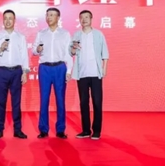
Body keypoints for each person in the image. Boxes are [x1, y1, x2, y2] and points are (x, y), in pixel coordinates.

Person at [32, 7, 73, 139]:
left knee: (60, 99)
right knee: (44, 99)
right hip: (44, 68)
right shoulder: (41, 33)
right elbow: (34, 50)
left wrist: (69, 70)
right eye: (48, 15)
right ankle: (43, 129)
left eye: (52, 15)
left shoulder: (65, 34)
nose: (49, 17)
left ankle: (60, 129)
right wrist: (37, 49)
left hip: (60, 67)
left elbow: (68, 53)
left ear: (58, 18)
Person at [0, 10, 30, 139]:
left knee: (16, 102)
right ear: (3, 20)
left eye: (10, 18)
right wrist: (0, 48)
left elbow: (24, 55)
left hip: (17, 71)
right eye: (5, 18)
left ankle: (18, 129)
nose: (7, 21)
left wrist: (25, 72)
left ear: (14, 20)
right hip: (2, 71)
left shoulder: (20, 37)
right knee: (1, 102)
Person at [70, 10, 109, 139]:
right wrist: (74, 48)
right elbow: (71, 52)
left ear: (91, 19)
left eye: (87, 17)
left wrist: (104, 68)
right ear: (79, 20)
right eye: (82, 17)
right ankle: (86, 130)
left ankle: (96, 130)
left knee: (97, 102)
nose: (84, 19)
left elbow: (105, 53)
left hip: (96, 73)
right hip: (82, 73)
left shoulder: (98, 34)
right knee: (83, 103)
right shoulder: (76, 35)